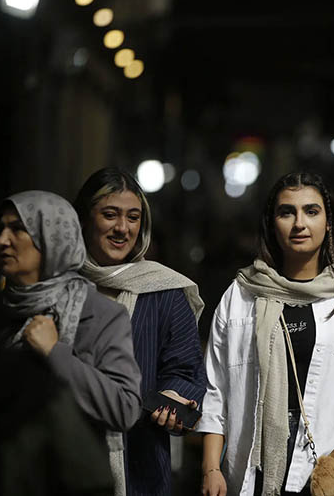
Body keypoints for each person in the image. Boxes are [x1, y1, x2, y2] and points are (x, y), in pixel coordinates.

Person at [198, 172, 334, 496]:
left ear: (329, 222)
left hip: (331, 472)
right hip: (252, 469)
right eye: (286, 212)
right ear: (272, 223)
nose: (299, 223)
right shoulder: (241, 295)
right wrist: (211, 468)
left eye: (311, 211)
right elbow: (215, 392)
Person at [0, 190, 142, 490]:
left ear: (52, 238)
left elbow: (125, 407)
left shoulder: (99, 313)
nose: (2, 240)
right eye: (1, 229)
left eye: (18, 229)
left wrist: (54, 352)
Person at [74, 168, 206, 496]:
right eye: (110, 215)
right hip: (66, 457)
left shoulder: (164, 291)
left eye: (133, 217)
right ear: (84, 219)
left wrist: (174, 398)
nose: (123, 228)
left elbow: (185, 370)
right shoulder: (61, 286)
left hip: (140, 464)